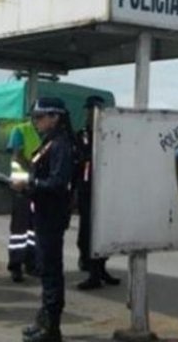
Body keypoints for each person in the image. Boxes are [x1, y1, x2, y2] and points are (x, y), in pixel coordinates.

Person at [12, 97, 74, 342]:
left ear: (55, 117)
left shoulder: (60, 145)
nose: (35, 121)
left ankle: (52, 328)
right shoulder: (49, 142)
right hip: (43, 213)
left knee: (50, 272)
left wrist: (30, 183)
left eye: (39, 117)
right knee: (45, 269)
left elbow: (59, 183)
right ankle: (44, 319)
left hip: (52, 215)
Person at [75, 96, 120, 290]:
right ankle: (92, 271)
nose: (91, 114)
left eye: (95, 110)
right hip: (87, 191)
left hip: (107, 191)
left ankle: (101, 269)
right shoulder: (83, 134)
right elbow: (80, 159)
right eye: (89, 110)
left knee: (105, 233)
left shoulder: (110, 133)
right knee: (88, 233)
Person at [6, 120, 41, 283]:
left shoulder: (45, 131)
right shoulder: (19, 130)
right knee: (19, 229)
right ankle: (15, 266)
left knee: (33, 228)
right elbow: (17, 155)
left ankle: (31, 262)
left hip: (36, 187)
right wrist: (33, 172)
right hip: (21, 187)